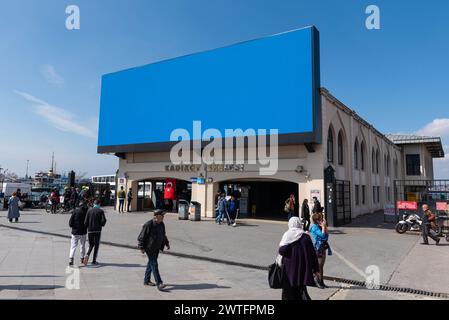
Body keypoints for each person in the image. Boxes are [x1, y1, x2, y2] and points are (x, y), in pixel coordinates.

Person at [277, 217, 321, 300]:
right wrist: (316, 269)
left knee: (288, 293)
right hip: (302, 269)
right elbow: (312, 254)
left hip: (289, 269)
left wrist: (290, 245)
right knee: (301, 291)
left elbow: (282, 251)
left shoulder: (287, 235)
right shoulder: (305, 237)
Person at [138, 209, 170, 291]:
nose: (163, 217)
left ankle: (146, 280)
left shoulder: (161, 224)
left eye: (163, 216)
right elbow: (141, 237)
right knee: (154, 264)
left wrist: (167, 243)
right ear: (156, 216)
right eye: (162, 216)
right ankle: (159, 283)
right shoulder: (148, 224)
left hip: (157, 247)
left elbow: (163, 234)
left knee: (151, 263)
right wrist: (141, 247)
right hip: (149, 248)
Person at [310, 213, 332, 288]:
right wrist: (323, 227)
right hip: (318, 248)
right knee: (318, 266)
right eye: (321, 219)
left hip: (322, 247)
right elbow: (323, 235)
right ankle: (317, 281)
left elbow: (326, 236)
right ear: (317, 220)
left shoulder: (319, 226)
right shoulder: (314, 227)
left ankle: (322, 281)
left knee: (321, 266)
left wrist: (324, 226)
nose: (322, 220)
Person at [83, 200, 107, 265]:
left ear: (94, 204)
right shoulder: (100, 211)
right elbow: (104, 220)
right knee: (96, 245)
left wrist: (88, 226)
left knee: (91, 245)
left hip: (90, 230)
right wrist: (101, 225)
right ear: (99, 204)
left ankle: (87, 255)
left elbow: (85, 222)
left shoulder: (89, 211)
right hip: (98, 231)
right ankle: (94, 260)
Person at [68, 200, 88, 266]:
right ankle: (82, 258)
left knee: (73, 246)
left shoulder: (75, 212)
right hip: (83, 232)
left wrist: (73, 226)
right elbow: (86, 222)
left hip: (75, 232)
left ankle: (71, 258)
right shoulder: (85, 212)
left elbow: (70, 223)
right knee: (82, 246)